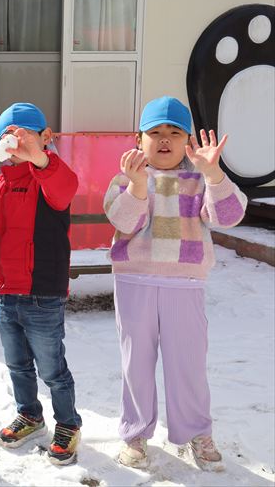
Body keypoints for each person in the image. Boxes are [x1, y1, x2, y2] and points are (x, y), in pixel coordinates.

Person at [103, 96, 247, 471]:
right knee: (136, 362)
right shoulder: (126, 177)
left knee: (188, 364)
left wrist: (214, 175)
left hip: (185, 284)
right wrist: (138, 186)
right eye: (155, 132)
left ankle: (197, 431)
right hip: (134, 281)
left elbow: (229, 216)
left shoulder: (200, 177)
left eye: (175, 132)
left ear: (188, 141)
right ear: (139, 139)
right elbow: (123, 222)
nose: (164, 139)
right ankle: (136, 432)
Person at [0, 102, 82, 466]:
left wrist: (37, 158)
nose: (15, 144)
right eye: (8, 137)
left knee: (52, 369)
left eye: (23, 136)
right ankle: (30, 415)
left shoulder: (49, 178)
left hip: (43, 293)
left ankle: (68, 423)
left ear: (45, 137)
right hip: (7, 293)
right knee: (18, 365)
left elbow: (65, 187)